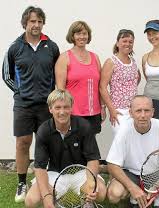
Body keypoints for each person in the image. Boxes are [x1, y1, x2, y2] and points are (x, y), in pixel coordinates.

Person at [2, 6, 60, 202]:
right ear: (25, 23)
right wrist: (20, 92)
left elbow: (58, 74)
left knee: (46, 142)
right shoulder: (15, 47)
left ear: (43, 23)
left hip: (46, 105)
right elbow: (7, 75)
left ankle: (47, 178)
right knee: (22, 143)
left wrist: (53, 97)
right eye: (32, 21)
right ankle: (21, 181)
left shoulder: (51, 47)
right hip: (23, 105)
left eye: (39, 21)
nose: (36, 25)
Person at [106, 95, 159, 208]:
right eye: (138, 111)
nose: (143, 115)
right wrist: (133, 188)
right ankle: (133, 198)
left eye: (146, 110)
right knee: (114, 194)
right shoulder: (123, 129)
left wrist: (155, 188)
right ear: (131, 113)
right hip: (132, 174)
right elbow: (112, 165)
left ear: (152, 112)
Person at [24, 89, 106, 208]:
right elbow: (40, 167)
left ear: (71, 107)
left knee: (101, 193)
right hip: (55, 173)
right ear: (50, 109)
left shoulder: (84, 126)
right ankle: (49, 195)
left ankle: (87, 203)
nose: (62, 112)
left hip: (81, 172)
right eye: (57, 107)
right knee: (31, 201)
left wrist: (91, 183)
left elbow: (92, 159)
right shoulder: (43, 130)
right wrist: (46, 196)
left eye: (66, 107)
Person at [55, 20, 105, 135]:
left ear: (88, 36)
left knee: (90, 146)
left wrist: (102, 107)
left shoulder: (95, 57)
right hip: (73, 113)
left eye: (84, 33)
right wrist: (62, 112)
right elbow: (60, 90)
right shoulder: (64, 58)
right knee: (73, 148)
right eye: (78, 33)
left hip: (93, 113)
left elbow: (100, 86)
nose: (82, 37)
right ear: (72, 36)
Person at [99, 29, 141, 135]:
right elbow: (102, 87)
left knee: (133, 142)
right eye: (124, 41)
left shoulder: (133, 61)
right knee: (122, 141)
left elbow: (136, 79)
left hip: (134, 110)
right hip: (119, 111)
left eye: (130, 42)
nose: (128, 44)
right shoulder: (111, 62)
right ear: (117, 43)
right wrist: (111, 109)